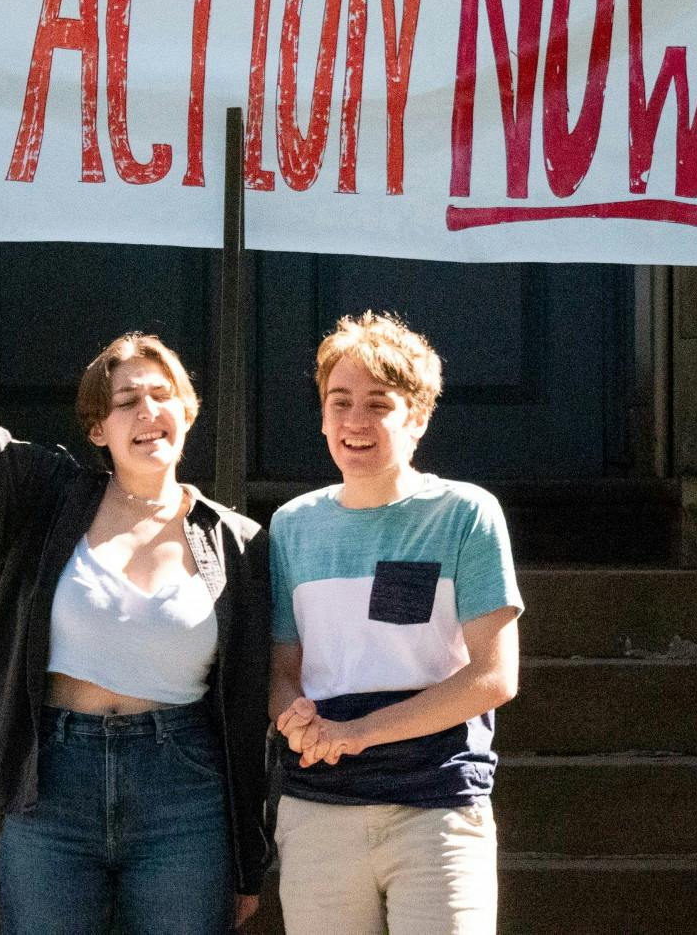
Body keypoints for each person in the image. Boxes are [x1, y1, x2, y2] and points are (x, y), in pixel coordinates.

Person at [0, 173, 269, 934]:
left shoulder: (238, 542)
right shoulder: (48, 499)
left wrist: (249, 853)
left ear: (188, 415)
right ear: (98, 429)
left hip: (184, 793)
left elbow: (255, 703)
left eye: (162, 396)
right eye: (126, 401)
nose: (147, 411)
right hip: (52, 782)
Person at [268, 311, 521, 935]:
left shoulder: (466, 514)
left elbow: (494, 677)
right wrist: (293, 716)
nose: (355, 421)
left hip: (436, 808)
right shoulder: (291, 526)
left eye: (378, 403)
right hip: (319, 810)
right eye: (339, 401)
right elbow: (281, 672)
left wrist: (357, 733)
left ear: (417, 416)